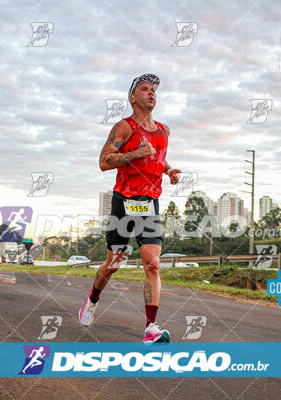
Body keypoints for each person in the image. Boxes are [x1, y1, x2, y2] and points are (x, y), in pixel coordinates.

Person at [79, 73, 181, 343]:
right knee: (114, 262)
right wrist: (134, 154)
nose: (151, 93)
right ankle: (92, 299)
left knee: (153, 265)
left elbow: (158, 155)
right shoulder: (124, 127)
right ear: (133, 98)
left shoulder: (163, 131)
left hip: (149, 204)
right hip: (124, 201)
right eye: (145, 89)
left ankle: (151, 328)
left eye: (153, 90)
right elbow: (104, 161)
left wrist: (169, 171)